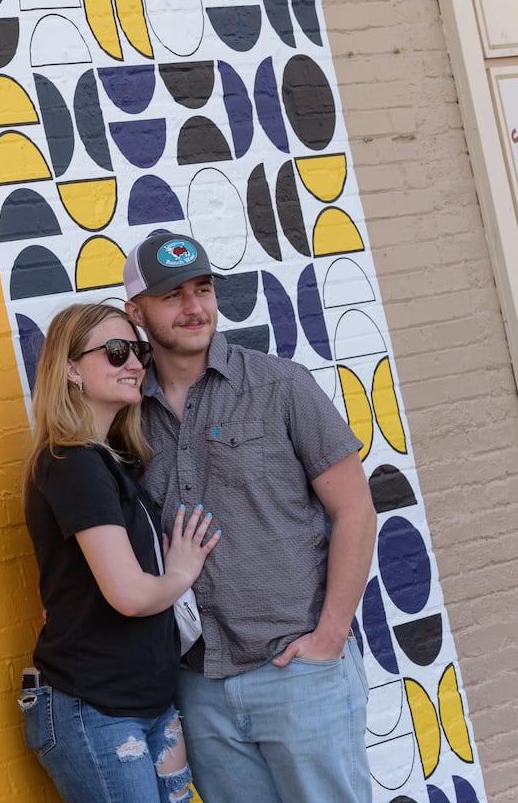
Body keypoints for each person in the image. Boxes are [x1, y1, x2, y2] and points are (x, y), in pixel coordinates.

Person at [121, 230, 377, 803]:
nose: (194, 308)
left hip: (297, 671)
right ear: (136, 313)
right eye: (172, 296)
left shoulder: (280, 386)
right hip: (200, 687)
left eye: (203, 289)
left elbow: (356, 509)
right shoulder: (125, 419)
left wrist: (331, 636)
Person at [21, 302, 220, 803]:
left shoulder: (111, 461)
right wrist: (181, 573)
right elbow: (128, 595)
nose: (134, 363)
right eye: (115, 352)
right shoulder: (71, 463)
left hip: (146, 703)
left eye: (137, 351)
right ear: (70, 368)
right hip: (96, 708)